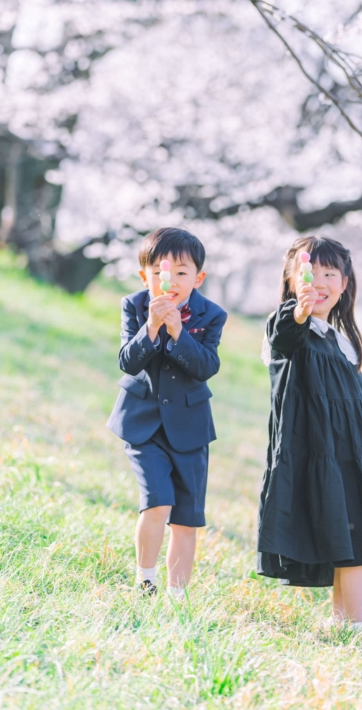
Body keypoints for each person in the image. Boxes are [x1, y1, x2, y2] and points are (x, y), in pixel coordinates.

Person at [257, 235, 362, 632]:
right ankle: (357, 624)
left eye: (331, 273)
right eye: (310, 273)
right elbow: (282, 337)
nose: (321, 282)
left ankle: (344, 621)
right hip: (318, 451)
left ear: (345, 284)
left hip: (355, 453)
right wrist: (298, 314)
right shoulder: (290, 326)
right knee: (352, 535)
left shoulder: (340, 338)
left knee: (355, 534)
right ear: (293, 281)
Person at [107, 227, 227, 598]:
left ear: (198, 277)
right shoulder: (135, 305)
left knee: (187, 518)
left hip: (190, 427)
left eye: (182, 272)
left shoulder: (212, 314)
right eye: (161, 272)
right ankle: (146, 579)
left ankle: (178, 595)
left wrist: (179, 332)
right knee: (157, 501)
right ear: (145, 276)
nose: (170, 281)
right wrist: (153, 326)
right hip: (143, 423)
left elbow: (206, 366)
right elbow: (128, 361)